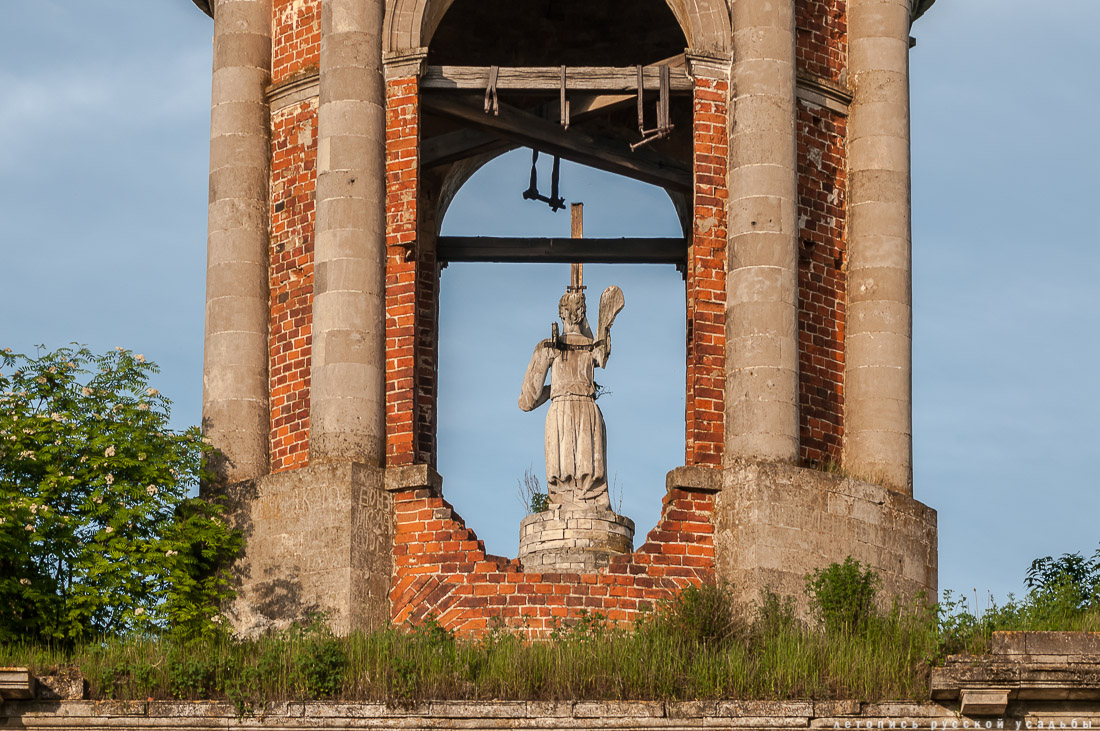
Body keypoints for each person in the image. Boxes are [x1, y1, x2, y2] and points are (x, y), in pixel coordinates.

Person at [518, 288, 613, 509]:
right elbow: (602, 352)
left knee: (564, 484)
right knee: (589, 481)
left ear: (561, 314)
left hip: (562, 411)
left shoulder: (548, 347)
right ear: (582, 314)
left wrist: (555, 389)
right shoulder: (593, 348)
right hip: (587, 411)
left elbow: (526, 401)